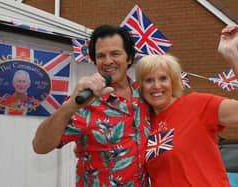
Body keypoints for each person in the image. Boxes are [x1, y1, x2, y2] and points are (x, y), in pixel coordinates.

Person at [32, 25, 151, 186]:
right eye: (101, 56)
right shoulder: (84, 102)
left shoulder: (146, 96)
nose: (108, 61)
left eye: (115, 53)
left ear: (129, 58)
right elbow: (40, 146)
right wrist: (71, 106)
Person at [135, 25, 238, 187]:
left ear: (173, 82)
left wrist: (233, 55)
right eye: (149, 80)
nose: (156, 86)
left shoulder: (198, 104)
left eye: (163, 79)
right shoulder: (143, 124)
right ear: (141, 86)